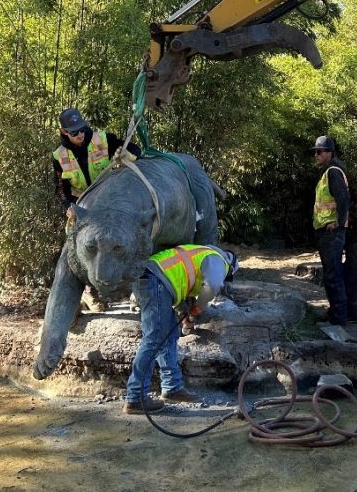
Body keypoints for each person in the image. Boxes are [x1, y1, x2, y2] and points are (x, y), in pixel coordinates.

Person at [123, 244, 240, 414]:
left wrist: (186, 312)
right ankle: (135, 397)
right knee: (154, 339)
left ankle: (172, 387)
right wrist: (196, 311)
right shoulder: (219, 260)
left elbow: (181, 279)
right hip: (154, 280)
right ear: (231, 267)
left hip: (154, 279)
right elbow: (213, 286)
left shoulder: (202, 254)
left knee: (169, 336)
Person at [52, 107, 138, 221]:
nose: (80, 134)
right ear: (64, 131)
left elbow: (134, 148)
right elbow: (61, 189)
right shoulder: (60, 156)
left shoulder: (102, 140)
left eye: (82, 129)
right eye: (74, 132)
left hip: (109, 200)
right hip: (82, 207)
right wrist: (69, 206)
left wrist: (130, 154)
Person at [310, 135, 350, 326]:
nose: (316, 155)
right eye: (315, 152)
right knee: (330, 274)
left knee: (333, 274)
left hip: (331, 232)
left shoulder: (333, 172)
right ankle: (335, 312)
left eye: (319, 152)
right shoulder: (328, 171)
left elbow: (343, 200)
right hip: (326, 231)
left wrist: (339, 224)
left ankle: (339, 318)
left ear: (329, 153)